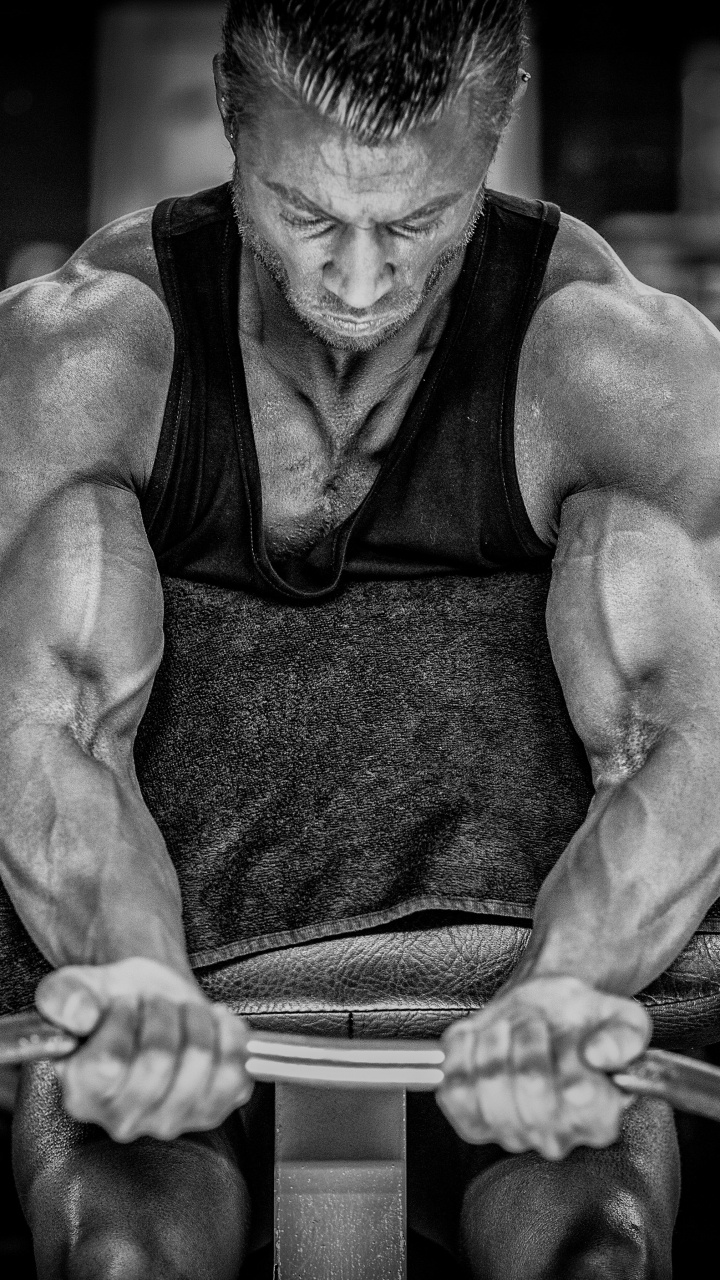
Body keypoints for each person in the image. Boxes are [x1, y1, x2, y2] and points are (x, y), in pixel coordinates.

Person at [1, 1, 719, 1275]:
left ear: (496, 130)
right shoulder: (83, 356)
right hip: (170, 980)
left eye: (419, 220)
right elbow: (55, 725)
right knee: (122, 1258)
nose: (360, 278)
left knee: (592, 1258)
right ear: (231, 116)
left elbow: (682, 737)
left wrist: (573, 984)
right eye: (308, 213)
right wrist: (133, 976)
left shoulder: (617, 364)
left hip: (513, 988)